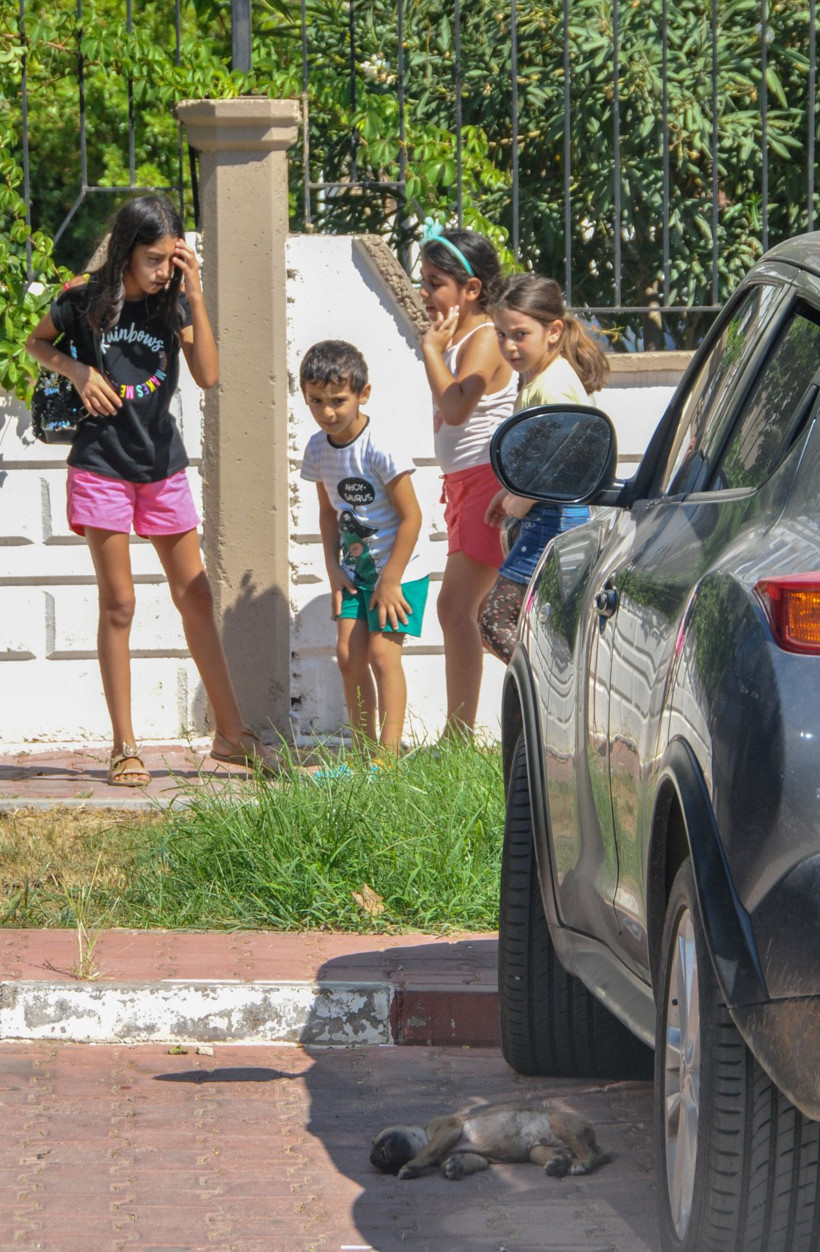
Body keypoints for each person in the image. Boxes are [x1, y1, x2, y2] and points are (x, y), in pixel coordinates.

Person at [25, 194, 278, 785]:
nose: (163, 268)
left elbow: (209, 375)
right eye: (154, 258)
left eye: (172, 258)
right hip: (101, 466)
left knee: (194, 597)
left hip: (162, 466)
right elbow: (35, 343)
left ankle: (230, 735)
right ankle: (124, 745)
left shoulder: (173, 303)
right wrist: (77, 370)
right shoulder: (83, 298)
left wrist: (193, 293)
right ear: (126, 252)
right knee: (120, 604)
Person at [299, 339, 429, 759]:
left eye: (338, 400)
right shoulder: (318, 448)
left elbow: (412, 516)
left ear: (363, 394)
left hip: (400, 570)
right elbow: (327, 512)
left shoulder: (380, 445)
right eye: (316, 400)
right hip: (356, 571)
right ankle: (362, 753)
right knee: (347, 655)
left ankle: (387, 761)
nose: (327, 412)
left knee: (381, 655)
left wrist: (391, 580)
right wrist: (333, 570)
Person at [480, 272, 610, 663]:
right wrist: (509, 492)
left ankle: (544, 691)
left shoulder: (550, 387)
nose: (508, 345)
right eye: (501, 334)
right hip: (551, 515)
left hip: (553, 519)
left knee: (496, 620)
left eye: (520, 334)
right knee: (544, 626)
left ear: (553, 331)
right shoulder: (542, 378)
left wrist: (521, 498)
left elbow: (567, 457)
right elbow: (544, 450)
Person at [419, 223, 517, 738]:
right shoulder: (459, 339)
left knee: (457, 608)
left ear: (471, 289)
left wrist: (431, 353)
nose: (425, 292)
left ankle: (457, 739)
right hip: (463, 487)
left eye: (436, 281)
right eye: (424, 280)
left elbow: (457, 409)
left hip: (485, 486)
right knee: (478, 617)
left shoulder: (483, 338)